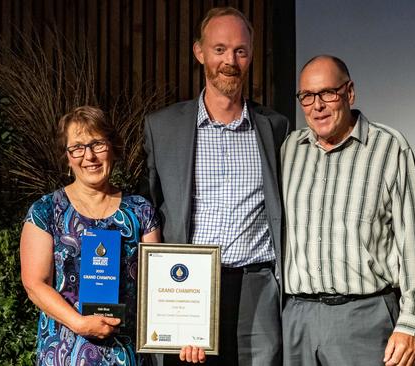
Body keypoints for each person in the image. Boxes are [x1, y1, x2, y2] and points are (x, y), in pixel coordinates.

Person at [143, 7, 290, 366]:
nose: (230, 60)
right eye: (220, 49)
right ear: (199, 53)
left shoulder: (275, 128)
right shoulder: (162, 128)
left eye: (240, 50)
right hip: (187, 286)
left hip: (256, 284)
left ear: (251, 55)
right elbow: (148, 209)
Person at [281, 55, 415, 366]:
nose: (317, 106)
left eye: (328, 93)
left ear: (349, 92)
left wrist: (410, 324)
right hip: (297, 319)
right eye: (307, 96)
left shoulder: (389, 147)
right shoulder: (289, 150)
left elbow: (412, 241)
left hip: (364, 318)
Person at [20, 106, 162, 365]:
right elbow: (35, 284)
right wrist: (80, 323)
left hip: (127, 353)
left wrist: (184, 334)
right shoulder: (46, 210)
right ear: (67, 156)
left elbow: (157, 286)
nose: (89, 156)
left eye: (97, 144)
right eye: (77, 147)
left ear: (112, 147)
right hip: (64, 352)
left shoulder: (141, 211)